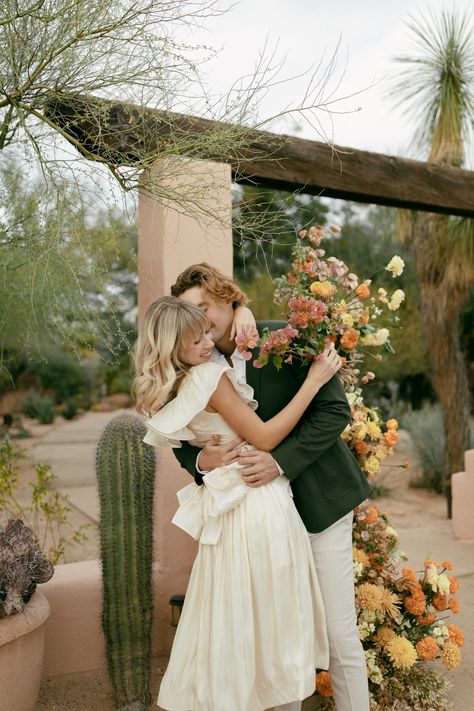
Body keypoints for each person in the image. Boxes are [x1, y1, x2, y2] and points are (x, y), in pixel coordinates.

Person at [171, 263, 372, 711]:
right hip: (256, 524)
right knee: (276, 643)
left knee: (340, 635)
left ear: (227, 297)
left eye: (206, 306)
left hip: (318, 504)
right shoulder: (193, 361)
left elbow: (333, 412)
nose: (202, 320)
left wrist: (278, 463)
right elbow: (182, 438)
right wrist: (202, 460)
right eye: (192, 314)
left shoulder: (280, 336)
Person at [134, 296, 341, 711]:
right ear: (172, 345)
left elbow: (192, 444)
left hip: (226, 515)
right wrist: (314, 382)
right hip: (258, 505)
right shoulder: (208, 379)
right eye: (195, 340)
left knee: (237, 629)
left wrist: (244, 310)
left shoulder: (167, 390)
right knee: (276, 630)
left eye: (206, 332)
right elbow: (265, 439)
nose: (207, 343)